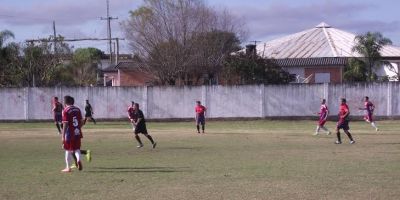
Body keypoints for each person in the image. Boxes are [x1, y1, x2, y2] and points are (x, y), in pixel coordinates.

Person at [61, 95, 84, 172]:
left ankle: (68, 167)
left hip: (69, 133)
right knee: (77, 148)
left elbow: (65, 124)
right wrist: (78, 128)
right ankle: (78, 160)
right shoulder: (77, 109)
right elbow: (81, 122)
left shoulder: (66, 110)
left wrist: (63, 136)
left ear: (65, 102)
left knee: (67, 149)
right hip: (77, 132)